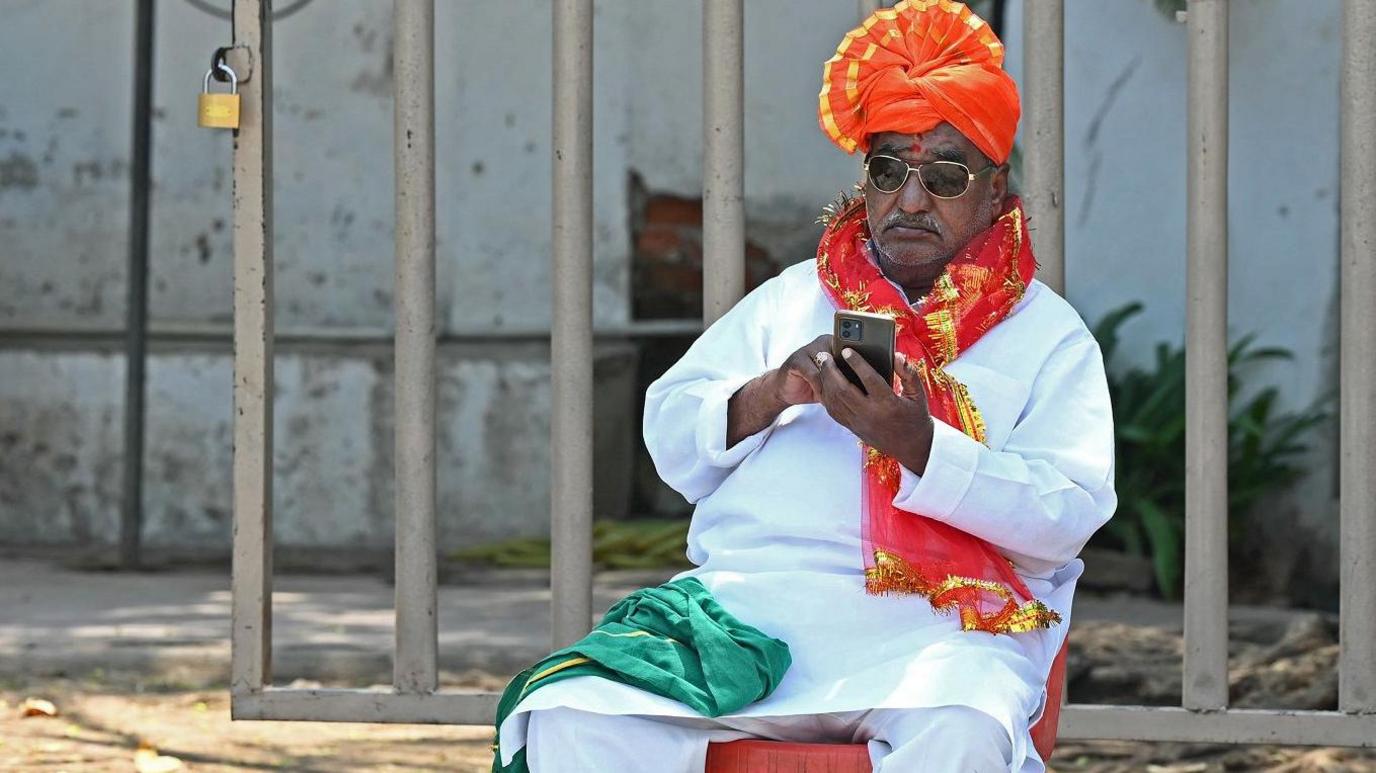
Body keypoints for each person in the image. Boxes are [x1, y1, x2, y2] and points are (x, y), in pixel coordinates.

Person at [496, 1, 1115, 770]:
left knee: (962, 724)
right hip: (750, 620)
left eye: (944, 175)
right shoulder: (795, 297)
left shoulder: (1045, 334)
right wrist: (773, 392)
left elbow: (1066, 516)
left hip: (937, 639)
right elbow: (670, 436)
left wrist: (919, 444)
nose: (911, 199)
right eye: (889, 170)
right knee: (573, 712)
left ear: (994, 194)